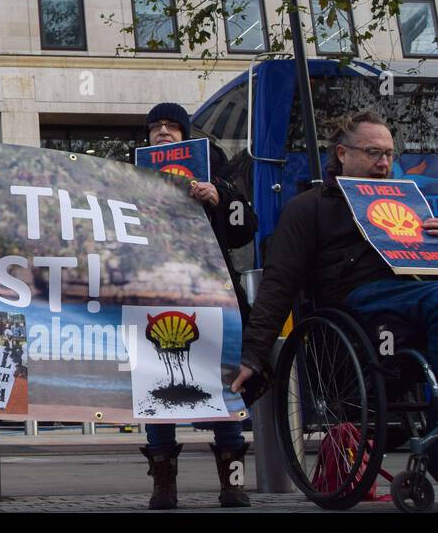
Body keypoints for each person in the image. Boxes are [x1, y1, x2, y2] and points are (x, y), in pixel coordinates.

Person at [232, 111, 438, 436]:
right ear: (342, 153)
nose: (383, 163)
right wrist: (254, 354)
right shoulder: (308, 207)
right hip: (356, 299)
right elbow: (279, 282)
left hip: (411, 290)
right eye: (373, 153)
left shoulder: (409, 201)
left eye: (388, 154)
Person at [139, 102, 258, 510]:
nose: (164, 133)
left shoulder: (217, 170)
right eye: (156, 128)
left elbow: (246, 230)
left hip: (214, 293)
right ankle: (163, 486)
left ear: (187, 134)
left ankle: (232, 483)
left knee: (224, 386)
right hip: (154, 292)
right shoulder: (131, 172)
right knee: (155, 388)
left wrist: (220, 197)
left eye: (172, 126)